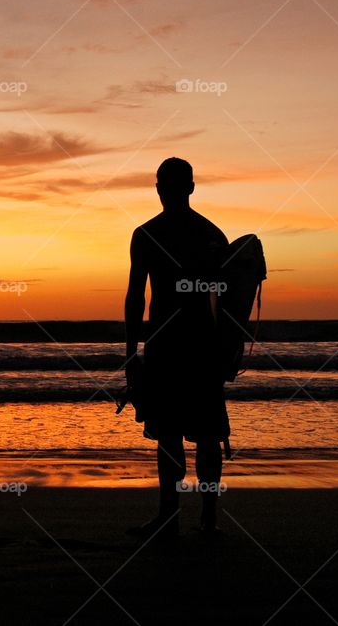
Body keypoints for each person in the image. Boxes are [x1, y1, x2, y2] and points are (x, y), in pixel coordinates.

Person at [124, 157, 230, 540]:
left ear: (160, 188)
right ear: (191, 187)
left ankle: (174, 516)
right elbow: (230, 302)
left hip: (167, 347)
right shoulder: (211, 234)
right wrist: (228, 350)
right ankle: (207, 518)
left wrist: (129, 351)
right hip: (200, 345)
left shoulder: (147, 234)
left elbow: (136, 298)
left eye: (163, 184)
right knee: (204, 434)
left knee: (173, 433)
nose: (164, 191)